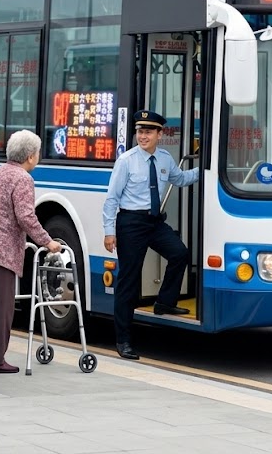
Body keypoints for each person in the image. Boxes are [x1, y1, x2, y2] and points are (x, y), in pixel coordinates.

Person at [102, 110, 198, 361]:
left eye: (148, 132)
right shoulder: (126, 160)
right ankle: (123, 340)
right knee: (129, 281)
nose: (142, 136)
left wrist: (207, 168)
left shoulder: (165, 158)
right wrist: (109, 232)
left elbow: (181, 179)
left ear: (159, 134)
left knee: (179, 253)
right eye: (140, 132)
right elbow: (111, 199)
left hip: (154, 222)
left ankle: (164, 302)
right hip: (130, 223)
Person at [0, 130, 60, 374]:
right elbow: (26, 216)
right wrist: (47, 242)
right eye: (38, 153)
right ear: (30, 156)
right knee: (1, 307)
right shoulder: (23, 178)